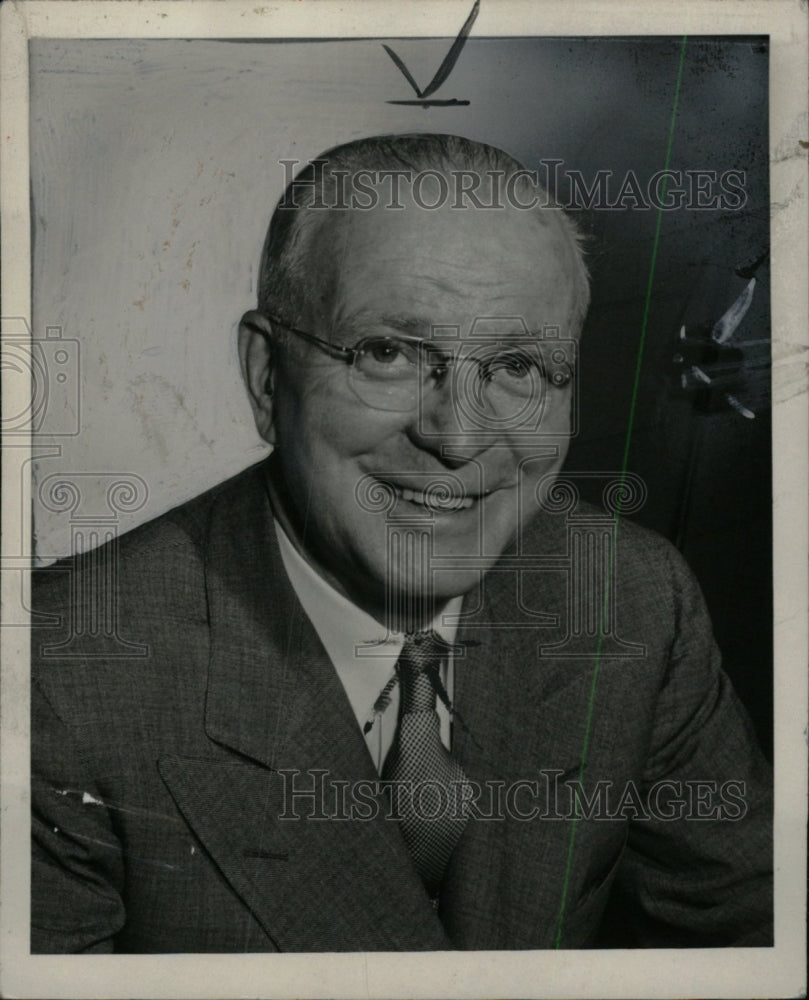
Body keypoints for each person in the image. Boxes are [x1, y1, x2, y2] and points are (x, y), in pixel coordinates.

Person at [31, 133, 772, 953]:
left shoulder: (633, 599)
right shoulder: (59, 679)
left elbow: (752, 938)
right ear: (266, 377)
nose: (457, 437)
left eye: (519, 365)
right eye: (386, 354)